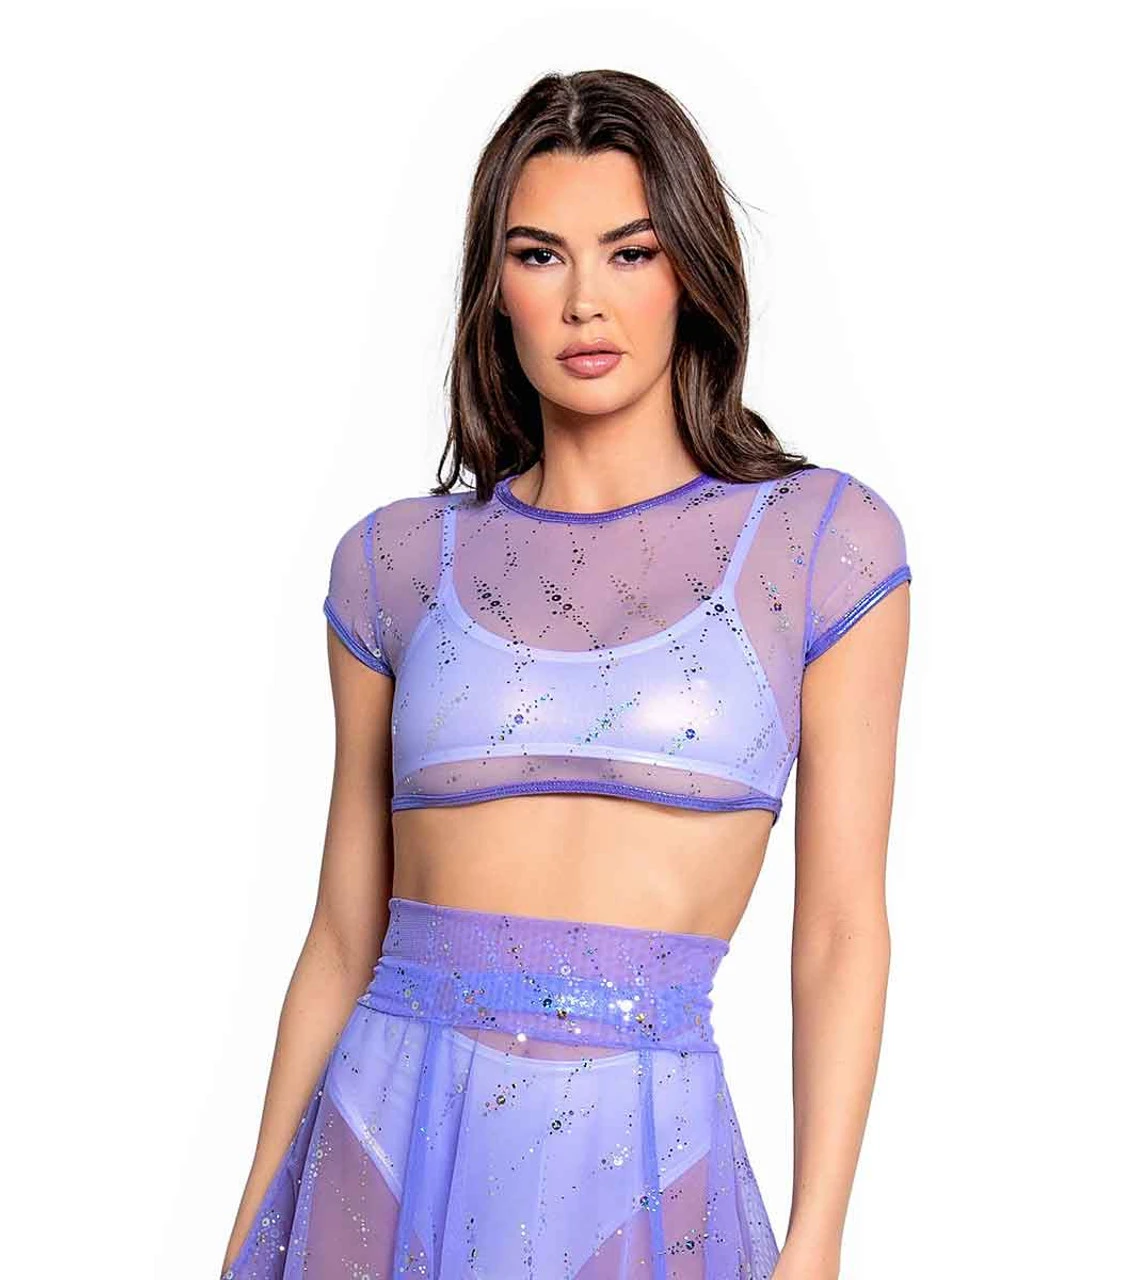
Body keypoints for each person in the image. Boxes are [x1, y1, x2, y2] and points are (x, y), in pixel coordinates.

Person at [220, 69, 912, 1280]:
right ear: (495, 289)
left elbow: (841, 926)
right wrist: (244, 1241)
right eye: (539, 255)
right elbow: (339, 934)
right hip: (378, 1145)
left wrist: (816, 1240)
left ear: (689, 270)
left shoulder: (819, 547)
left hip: (641, 1162)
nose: (584, 300)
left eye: (629, 252)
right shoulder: (395, 562)